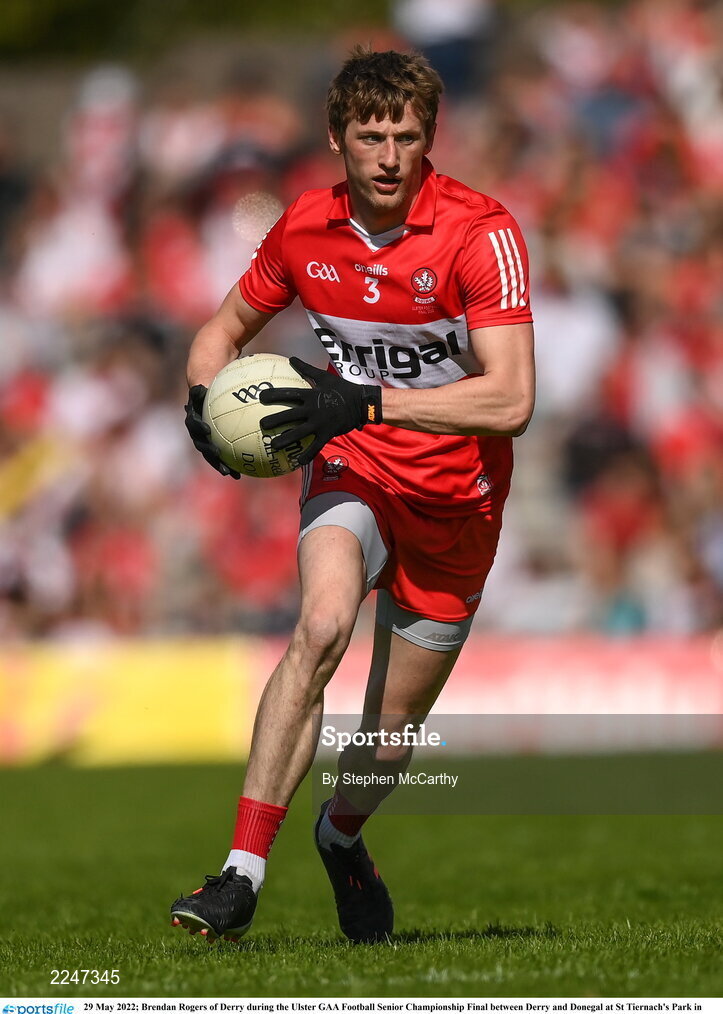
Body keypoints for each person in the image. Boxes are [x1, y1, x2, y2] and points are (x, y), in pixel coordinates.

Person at [173, 46, 535, 944]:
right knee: (321, 625)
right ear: (336, 137)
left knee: (389, 729)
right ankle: (239, 876)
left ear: (428, 140)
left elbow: (512, 399)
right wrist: (202, 405)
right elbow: (220, 330)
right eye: (368, 136)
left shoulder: (480, 233)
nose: (385, 155)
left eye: (404, 137)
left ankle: (339, 838)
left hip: (459, 502)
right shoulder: (302, 226)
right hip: (355, 467)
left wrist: (366, 395)